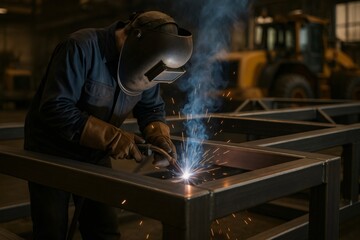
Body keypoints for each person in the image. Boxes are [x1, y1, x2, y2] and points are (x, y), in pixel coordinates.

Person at [24, 10, 193, 240]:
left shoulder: (149, 61)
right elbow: (56, 108)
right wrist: (114, 138)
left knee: (104, 231)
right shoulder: (80, 47)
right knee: (52, 231)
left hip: (94, 153)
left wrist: (158, 137)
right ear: (134, 35)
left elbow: (151, 109)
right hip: (51, 152)